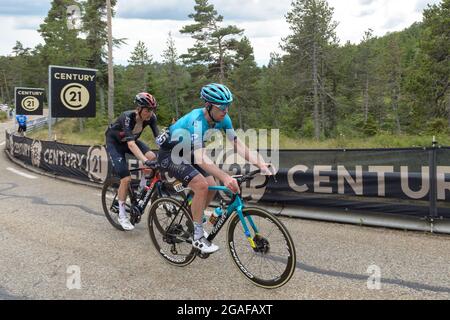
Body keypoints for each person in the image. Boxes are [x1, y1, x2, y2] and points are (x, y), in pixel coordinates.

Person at [156, 83, 273, 254]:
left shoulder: (224, 118)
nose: (226, 111)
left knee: (211, 186)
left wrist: (260, 163)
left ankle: (193, 218)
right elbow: (201, 158)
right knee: (202, 185)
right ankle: (197, 236)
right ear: (208, 106)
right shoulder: (197, 121)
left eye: (228, 106)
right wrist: (226, 177)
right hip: (170, 154)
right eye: (222, 107)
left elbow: (238, 145)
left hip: (188, 152)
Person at [105, 92, 159, 231]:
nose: (150, 113)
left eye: (152, 110)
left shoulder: (151, 118)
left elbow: (158, 139)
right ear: (139, 108)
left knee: (153, 157)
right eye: (147, 110)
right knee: (126, 178)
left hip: (132, 141)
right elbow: (131, 145)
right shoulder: (127, 117)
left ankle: (142, 186)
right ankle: (122, 215)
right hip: (115, 144)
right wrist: (144, 161)